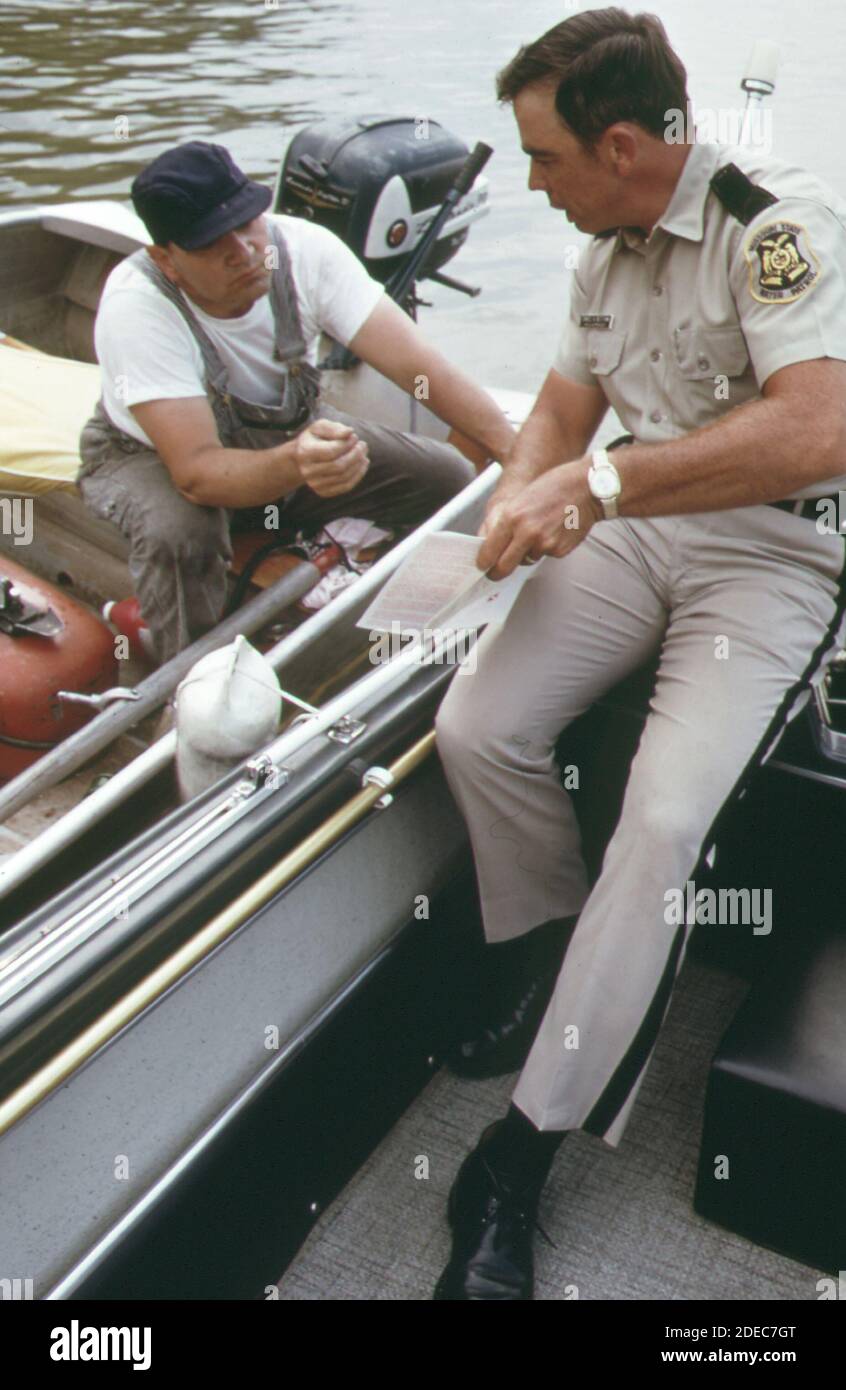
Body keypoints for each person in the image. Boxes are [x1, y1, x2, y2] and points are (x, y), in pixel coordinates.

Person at [433, 7, 846, 1300]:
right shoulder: (599, 244)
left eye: (541, 159)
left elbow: (819, 429)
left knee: (659, 828)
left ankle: (516, 1156)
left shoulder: (771, 226)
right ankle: (553, 941)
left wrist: (597, 487)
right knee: (476, 727)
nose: (528, 184)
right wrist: (516, 502)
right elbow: (560, 406)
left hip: (765, 558)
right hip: (633, 529)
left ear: (619, 146)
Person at [77, 140, 515, 663]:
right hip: (155, 461)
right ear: (166, 260)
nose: (241, 251)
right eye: (210, 242)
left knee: (448, 478)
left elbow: (425, 371)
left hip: (287, 441)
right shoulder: (137, 307)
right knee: (183, 534)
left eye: (246, 223)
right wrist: (296, 463)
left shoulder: (307, 251)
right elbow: (197, 473)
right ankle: (187, 683)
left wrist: (520, 456)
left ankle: (380, 638)